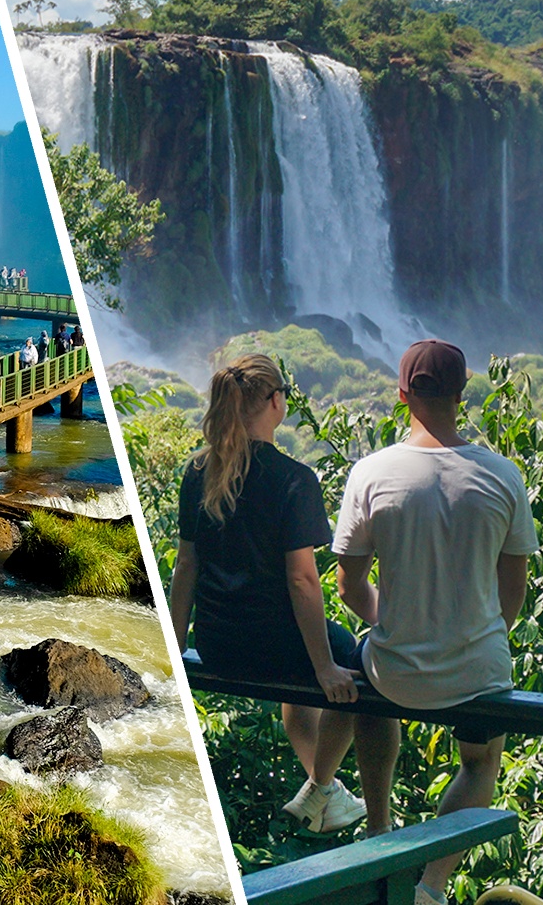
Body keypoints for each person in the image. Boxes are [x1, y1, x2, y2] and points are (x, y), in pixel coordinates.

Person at [333, 339, 538, 905]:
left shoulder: (371, 473)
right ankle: (431, 884)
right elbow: (512, 590)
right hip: (478, 670)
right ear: (462, 395)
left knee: (363, 679)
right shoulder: (502, 476)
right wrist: (469, 631)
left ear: (402, 396)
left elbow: (348, 586)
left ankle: (378, 832)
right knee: (480, 763)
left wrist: (393, 620)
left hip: (394, 667)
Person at [167, 353, 366, 834]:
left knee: (304, 692)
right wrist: (323, 664)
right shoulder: (294, 479)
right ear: (275, 402)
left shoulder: (199, 473)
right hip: (278, 646)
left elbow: (186, 566)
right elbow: (302, 581)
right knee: (357, 663)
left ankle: (327, 794)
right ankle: (321, 788)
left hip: (217, 645)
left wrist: (173, 648)